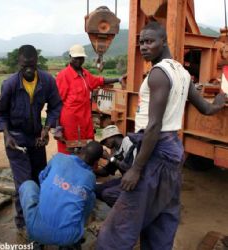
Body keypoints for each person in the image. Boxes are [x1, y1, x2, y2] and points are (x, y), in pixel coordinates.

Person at [96, 21, 226, 250]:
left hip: (154, 150)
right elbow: (205, 109)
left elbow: (154, 126)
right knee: (162, 222)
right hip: (173, 151)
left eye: (149, 41)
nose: (144, 47)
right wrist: (218, 102)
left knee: (118, 229)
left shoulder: (158, 74)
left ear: (164, 41)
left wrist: (136, 169)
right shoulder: (182, 72)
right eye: (141, 43)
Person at [0, 45, 62, 232]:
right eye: (25, 67)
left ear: (36, 62)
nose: (29, 70)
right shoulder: (10, 84)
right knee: (23, 183)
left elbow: (56, 105)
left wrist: (47, 128)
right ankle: (23, 224)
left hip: (36, 137)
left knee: (39, 179)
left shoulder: (47, 81)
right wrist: (6, 135)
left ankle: (39, 217)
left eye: (32, 66)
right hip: (15, 138)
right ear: (19, 63)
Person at [19, 141, 103, 248]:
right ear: (96, 162)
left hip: (36, 229)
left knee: (28, 185)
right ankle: (72, 243)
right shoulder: (90, 177)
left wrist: (56, 188)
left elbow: (42, 177)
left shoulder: (59, 158)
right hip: (69, 237)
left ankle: (36, 241)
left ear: (81, 150)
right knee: (90, 198)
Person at [55, 44, 123, 154]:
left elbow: (99, 81)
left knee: (88, 148)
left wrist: (118, 79)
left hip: (85, 120)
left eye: (81, 58)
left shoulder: (85, 74)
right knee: (71, 149)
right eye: (76, 58)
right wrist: (57, 127)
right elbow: (57, 103)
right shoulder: (64, 76)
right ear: (70, 57)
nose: (79, 60)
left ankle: (88, 170)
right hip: (70, 122)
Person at [95, 125, 137, 207]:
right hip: (125, 179)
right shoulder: (116, 151)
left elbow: (131, 169)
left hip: (135, 181)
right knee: (96, 189)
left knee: (107, 194)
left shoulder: (128, 142)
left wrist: (109, 158)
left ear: (112, 136)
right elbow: (106, 172)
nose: (105, 145)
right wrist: (90, 169)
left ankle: (128, 211)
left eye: (104, 141)